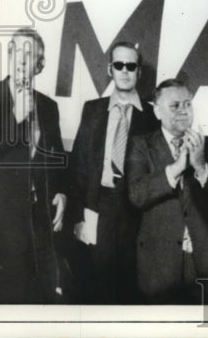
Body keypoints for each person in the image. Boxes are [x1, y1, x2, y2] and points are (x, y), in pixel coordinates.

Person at [0, 28, 70, 303]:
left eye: (29, 54)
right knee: (6, 297)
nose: (21, 59)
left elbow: (57, 157)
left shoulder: (48, 106)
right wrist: (16, 117)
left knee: (41, 296)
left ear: (39, 65)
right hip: (0, 221)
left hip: (40, 220)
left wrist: (62, 192)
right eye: (16, 51)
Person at [126, 77, 208, 304]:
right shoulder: (141, 145)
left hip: (204, 263)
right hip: (158, 264)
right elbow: (136, 196)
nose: (184, 111)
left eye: (187, 104)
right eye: (175, 105)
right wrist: (176, 168)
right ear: (157, 111)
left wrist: (201, 167)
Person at [69, 41, 158, 303]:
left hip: (135, 210)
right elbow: (78, 165)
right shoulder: (92, 110)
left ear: (139, 72)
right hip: (100, 205)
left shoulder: (152, 117)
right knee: (99, 282)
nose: (125, 71)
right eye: (119, 65)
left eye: (131, 66)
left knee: (129, 285)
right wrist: (80, 214)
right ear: (110, 69)